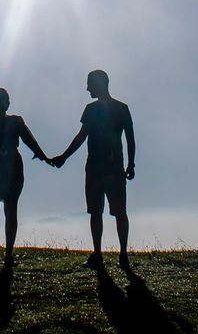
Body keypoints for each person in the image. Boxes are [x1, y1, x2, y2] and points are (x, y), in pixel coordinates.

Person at [52, 69, 135, 269]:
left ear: (98, 84)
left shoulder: (92, 110)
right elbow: (130, 140)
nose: (87, 88)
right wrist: (131, 164)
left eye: (89, 84)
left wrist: (64, 157)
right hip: (113, 167)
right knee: (116, 211)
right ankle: (121, 255)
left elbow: (82, 136)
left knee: (99, 212)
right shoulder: (121, 108)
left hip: (98, 167)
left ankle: (101, 254)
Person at [0, 88, 50, 266]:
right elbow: (30, 141)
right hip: (3, 168)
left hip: (1, 168)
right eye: (6, 99)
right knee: (4, 211)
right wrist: (44, 157)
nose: (8, 102)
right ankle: (2, 255)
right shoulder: (12, 122)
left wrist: (43, 156)